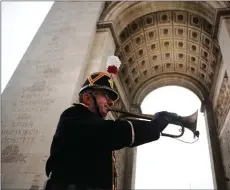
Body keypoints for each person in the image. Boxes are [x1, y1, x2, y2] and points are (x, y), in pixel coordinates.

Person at [44, 72, 180, 190]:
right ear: (87, 98)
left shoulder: (91, 122)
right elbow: (113, 131)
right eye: (106, 96)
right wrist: (155, 126)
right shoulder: (72, 115)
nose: (111, 102)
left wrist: (154, 126)